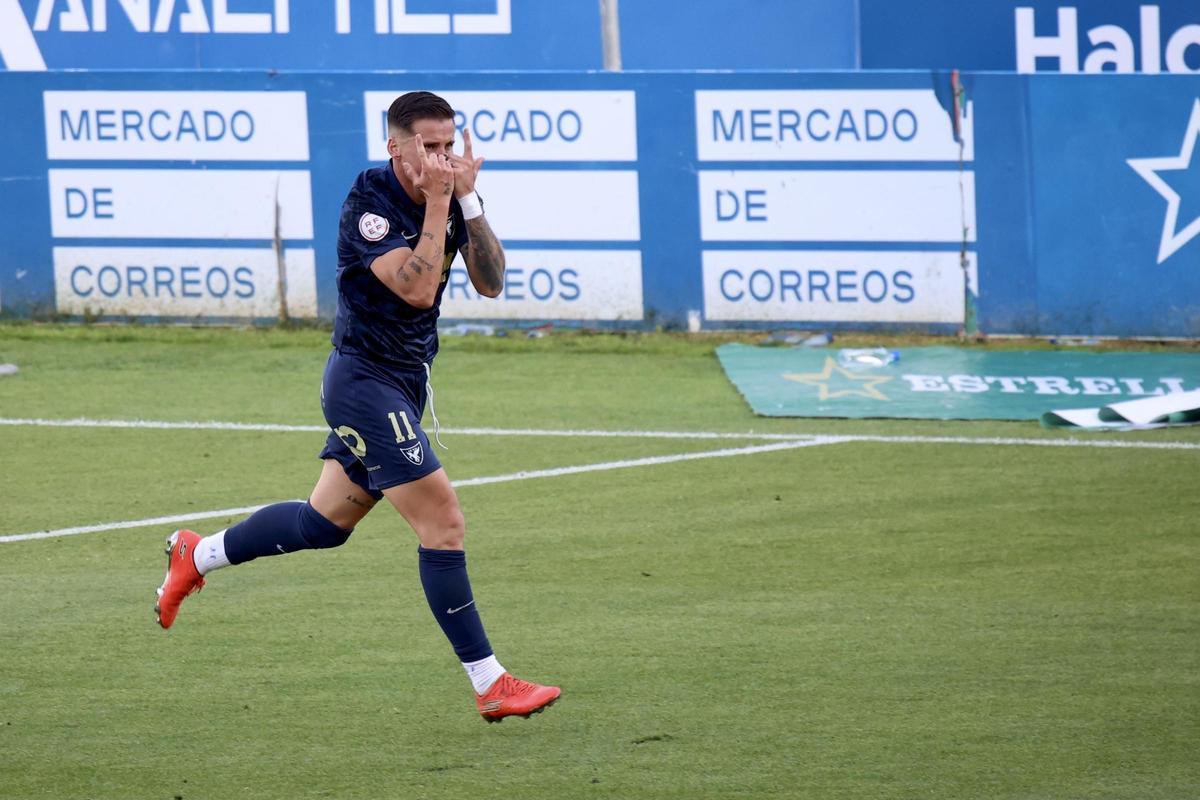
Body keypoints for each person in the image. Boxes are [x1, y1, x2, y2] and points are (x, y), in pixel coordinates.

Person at [154, 91, 560, 724]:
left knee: (323, 525)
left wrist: (470, 202)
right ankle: (490, 683)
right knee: (443, 522)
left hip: (402, 384)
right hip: (363, 382)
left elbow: (490, 279)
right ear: (394, 146)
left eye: (450, 145)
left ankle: (196, 554)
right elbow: (421, 289)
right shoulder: (369, 202)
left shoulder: (450, 195)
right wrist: (436, 203)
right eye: (428, 145)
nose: (442, 157)